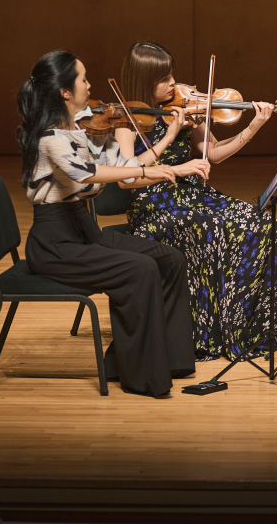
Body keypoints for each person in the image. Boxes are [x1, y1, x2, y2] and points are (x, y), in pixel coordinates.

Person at [17, 50, 205, 397]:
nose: (91, 86)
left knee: (170, 260)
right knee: (140, 269)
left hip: (83, 234)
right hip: (56, 245)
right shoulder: (49, 140)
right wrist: (153, 170)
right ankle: (141, 375)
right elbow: (91, 174)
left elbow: (125, 171)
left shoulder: (80, 130)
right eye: (84, 79)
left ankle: (171, 359)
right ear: (64, 93)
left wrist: (169, 142)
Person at [113, 41, 277, 362]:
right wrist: (170, 135)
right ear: (143, 80)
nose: (175, 84)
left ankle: (247, 329)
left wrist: (254, 125)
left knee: (261, 222)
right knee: (212, 227)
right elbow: (129, 177)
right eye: (165, 79)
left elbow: (215, 154)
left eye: (173, 76)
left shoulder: (183, 109)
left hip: (194, 195)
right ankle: (205, 333)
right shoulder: (126, 122)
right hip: (156, 206)